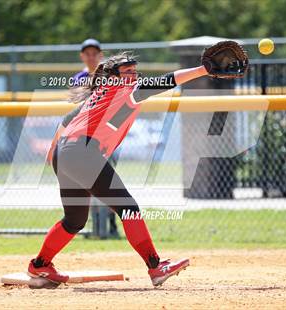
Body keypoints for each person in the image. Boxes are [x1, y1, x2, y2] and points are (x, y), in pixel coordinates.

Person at [31, 51, 209, 287]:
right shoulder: (124, 90)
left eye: (135, 71)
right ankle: (156, 267)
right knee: (128, 208)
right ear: (112, 76)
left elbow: (66, 120)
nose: (133, 76)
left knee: (74, 221)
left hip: (65, 155)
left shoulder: (99, 95)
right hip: (82, 153)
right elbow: (166, 81)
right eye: (127, 72)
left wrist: (53, 151)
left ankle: (40, 265)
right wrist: (203, 70)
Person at [47, 38, 119, 237]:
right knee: (89, 186)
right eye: (87, 53)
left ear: (100, 55)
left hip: (102, 137)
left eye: (94, 53)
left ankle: (111, 226)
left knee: (108, 183)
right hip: (82, 138)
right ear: (82, 56)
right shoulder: (79, 78)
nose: (91, 56)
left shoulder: (108, 76)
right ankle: (96, 226)